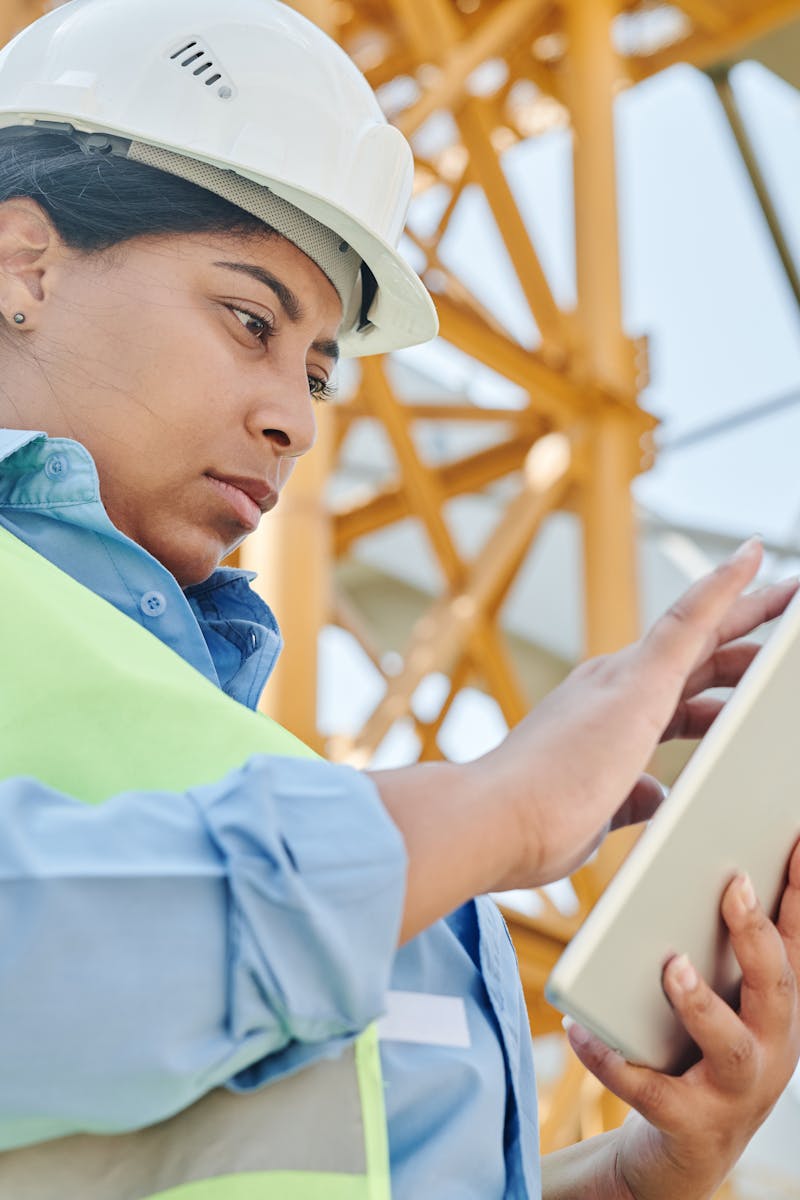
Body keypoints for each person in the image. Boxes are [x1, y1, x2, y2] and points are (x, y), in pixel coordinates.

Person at [0, 1, 797, 1197]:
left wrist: (646, 1174)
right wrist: (496, 808)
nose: (297, 419)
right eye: (250, 319)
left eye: (318, 369)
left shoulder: (255, 766)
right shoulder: (386, 830)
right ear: (26, 264)